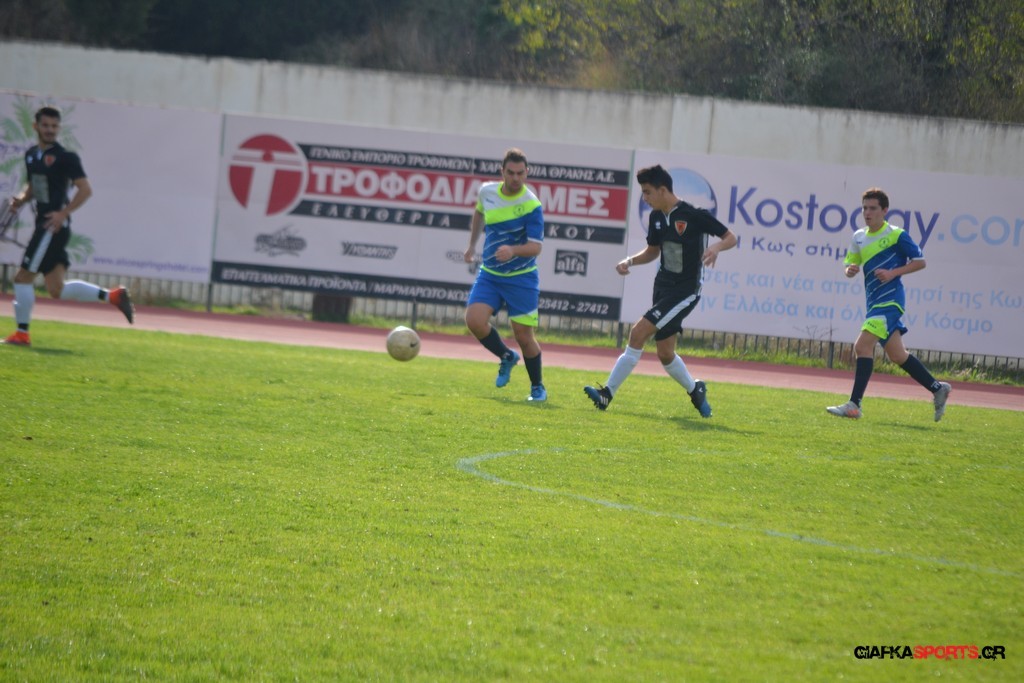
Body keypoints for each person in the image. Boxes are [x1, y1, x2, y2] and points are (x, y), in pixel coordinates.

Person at [584, 164, 736, 416]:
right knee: (665, 353)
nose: (644, 198)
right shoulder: (656, 217)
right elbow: (653, 251)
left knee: (637, 333)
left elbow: (731, 237)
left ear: (663, 190)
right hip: (663, 288)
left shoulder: (694, 215)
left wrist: (715, 248)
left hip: (685, 291)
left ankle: (606, 394)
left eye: (647, 192)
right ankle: (695, 389)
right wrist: (630, 261)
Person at [2, 106, 133, 347]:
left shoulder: (65, 157)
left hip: (51, 227)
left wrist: (63, 213)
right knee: (56, 289)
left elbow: (85, 189)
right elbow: (33, 186)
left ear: (59, 128)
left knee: (22, 278)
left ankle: (22, 334)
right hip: (47, 226)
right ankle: (112, 296)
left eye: (54, 126)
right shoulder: (31, 155)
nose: (50, 130)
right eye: (45, 125)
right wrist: (20, 199)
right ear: (36, 126)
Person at [826, 187, 951, 421]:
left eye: (873, 208)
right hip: (874, 302)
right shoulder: (858, 236)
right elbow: (851, 264)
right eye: (864, 208)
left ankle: (854, 405)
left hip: (891, 301)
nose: (867, 212)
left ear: (884, 210)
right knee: (897, 355)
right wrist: (850, 270)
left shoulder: (896, 235)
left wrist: (893, 273)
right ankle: (937, 388)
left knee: (862, 346)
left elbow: (920, 262)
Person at [464, 148, 546, 402]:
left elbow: (536, 247)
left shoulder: (531, 205)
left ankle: (537, 387)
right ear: (502, 172)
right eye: (510, 173)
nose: (515, 178)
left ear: (527, 172)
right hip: (490, 274)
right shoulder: (487, 192)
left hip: (521, 277)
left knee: (524, 336)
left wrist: (512, 250)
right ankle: (506, 356)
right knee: (474, 321)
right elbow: (479, 212)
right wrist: (472, 245)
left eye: (520, 173)